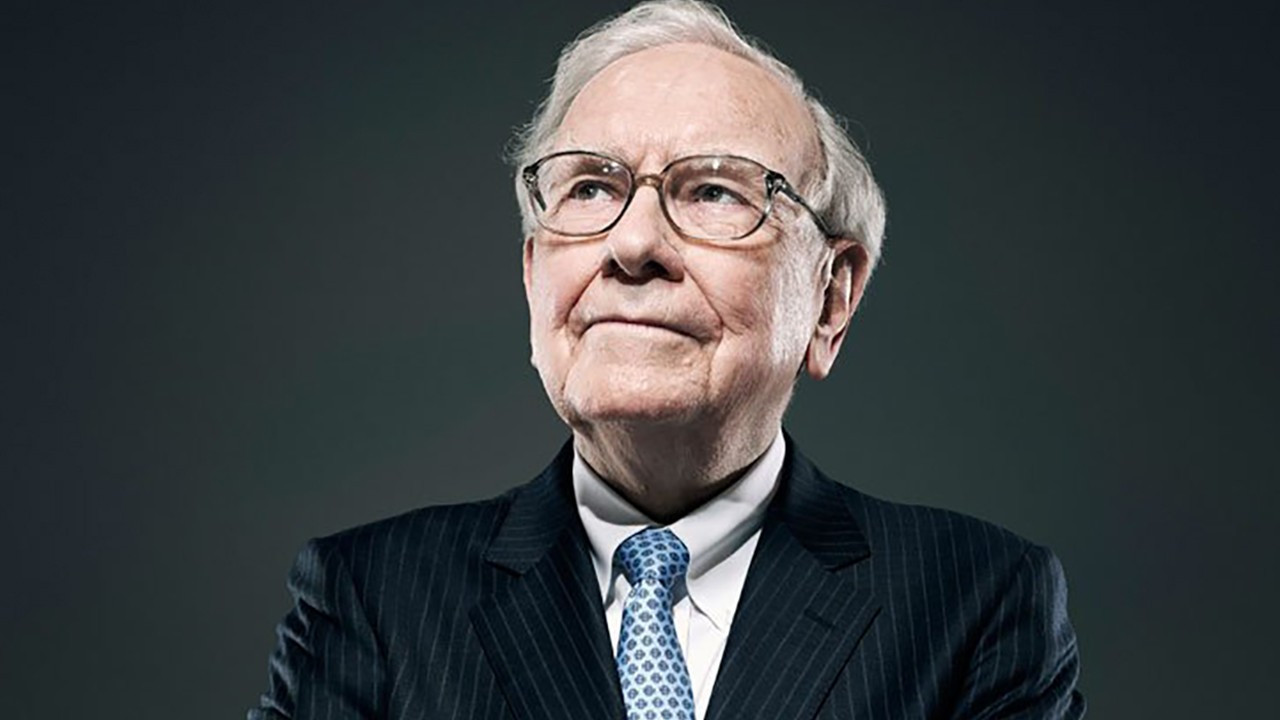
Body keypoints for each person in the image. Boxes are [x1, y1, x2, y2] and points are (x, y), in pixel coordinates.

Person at [249, 1, 1085, 718]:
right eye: (590, 188)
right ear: (535, 277)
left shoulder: (974, 602)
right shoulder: (372, 598)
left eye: (713, 190)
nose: (633, 244)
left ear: (831, 298)